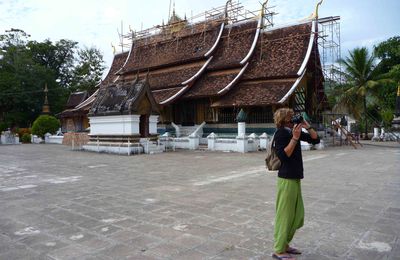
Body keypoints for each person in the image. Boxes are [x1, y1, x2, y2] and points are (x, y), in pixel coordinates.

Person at [272, 108, 320, 260]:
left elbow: (315, 139)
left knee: (296, 215)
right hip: (286, 179)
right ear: (284, 120)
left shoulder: (293, 131)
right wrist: (295, 138)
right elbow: (283, 156)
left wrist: (307, 126)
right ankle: (278, 250)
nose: (294, 118)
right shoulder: (281, 133)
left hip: (295, 177)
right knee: (285, 216)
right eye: (291, 116)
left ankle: (285, 244)